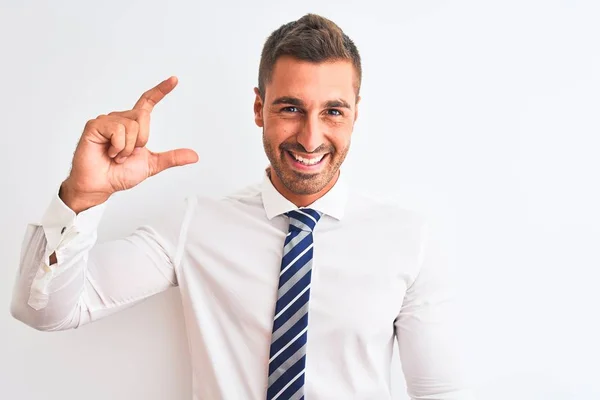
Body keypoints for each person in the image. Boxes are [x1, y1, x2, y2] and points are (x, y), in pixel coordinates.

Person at [10, 13, 474, 400]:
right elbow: (45, 311)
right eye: (290, 108)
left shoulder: (409, 240)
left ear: (355, 112)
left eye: (333, 111)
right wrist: (82, 197)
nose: (311, 138)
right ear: (259, 108)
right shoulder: (196, 224)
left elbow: (440, 393)